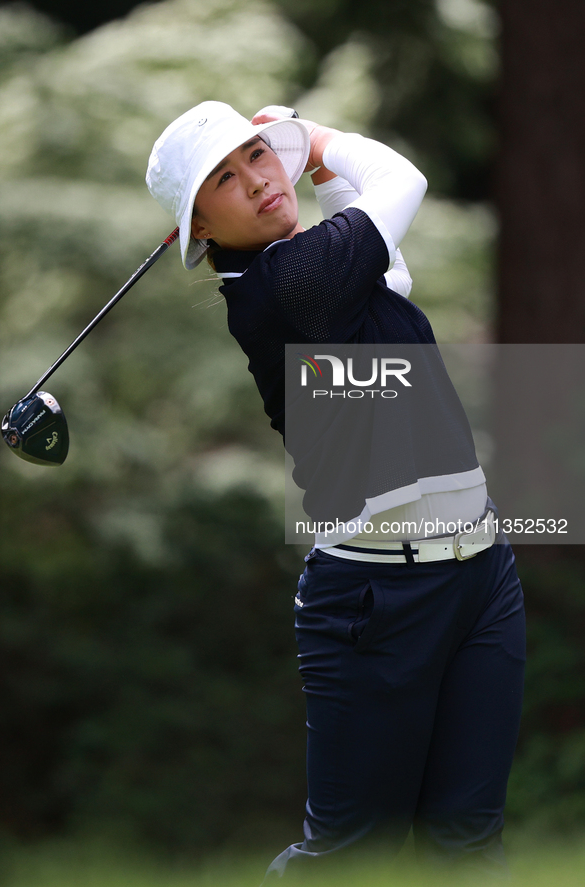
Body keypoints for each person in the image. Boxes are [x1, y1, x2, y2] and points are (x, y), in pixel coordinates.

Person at [146, 101, 525, 882]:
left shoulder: (313, 277)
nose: (257, 179)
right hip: (375, 600)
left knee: (468, 844)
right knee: (349, 857)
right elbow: (400, 178)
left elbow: (387, 271)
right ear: (201, 228)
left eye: (258, 155)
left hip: (482, 576)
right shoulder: (287, 285)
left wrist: (317, 175)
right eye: (224, 176)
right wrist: (317, 140)